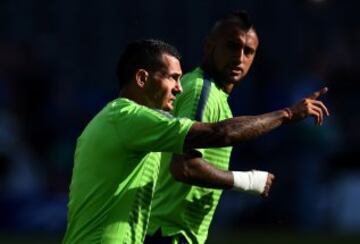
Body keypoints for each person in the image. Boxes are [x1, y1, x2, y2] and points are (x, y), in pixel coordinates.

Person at [63, 38, 328, 244]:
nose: (179, 88)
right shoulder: (128, 118)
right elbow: (218, 133)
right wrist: (287, 114)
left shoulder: (124, 125)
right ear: (142, 78)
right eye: (173, 78)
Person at [146, 11, 329, 244]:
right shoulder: (200, 91)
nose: (239, 57)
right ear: (209, 46)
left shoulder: (213, 94)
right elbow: (184, 167)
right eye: (232, 46)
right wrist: (245, 181)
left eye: (248, 51)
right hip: (168, 234)